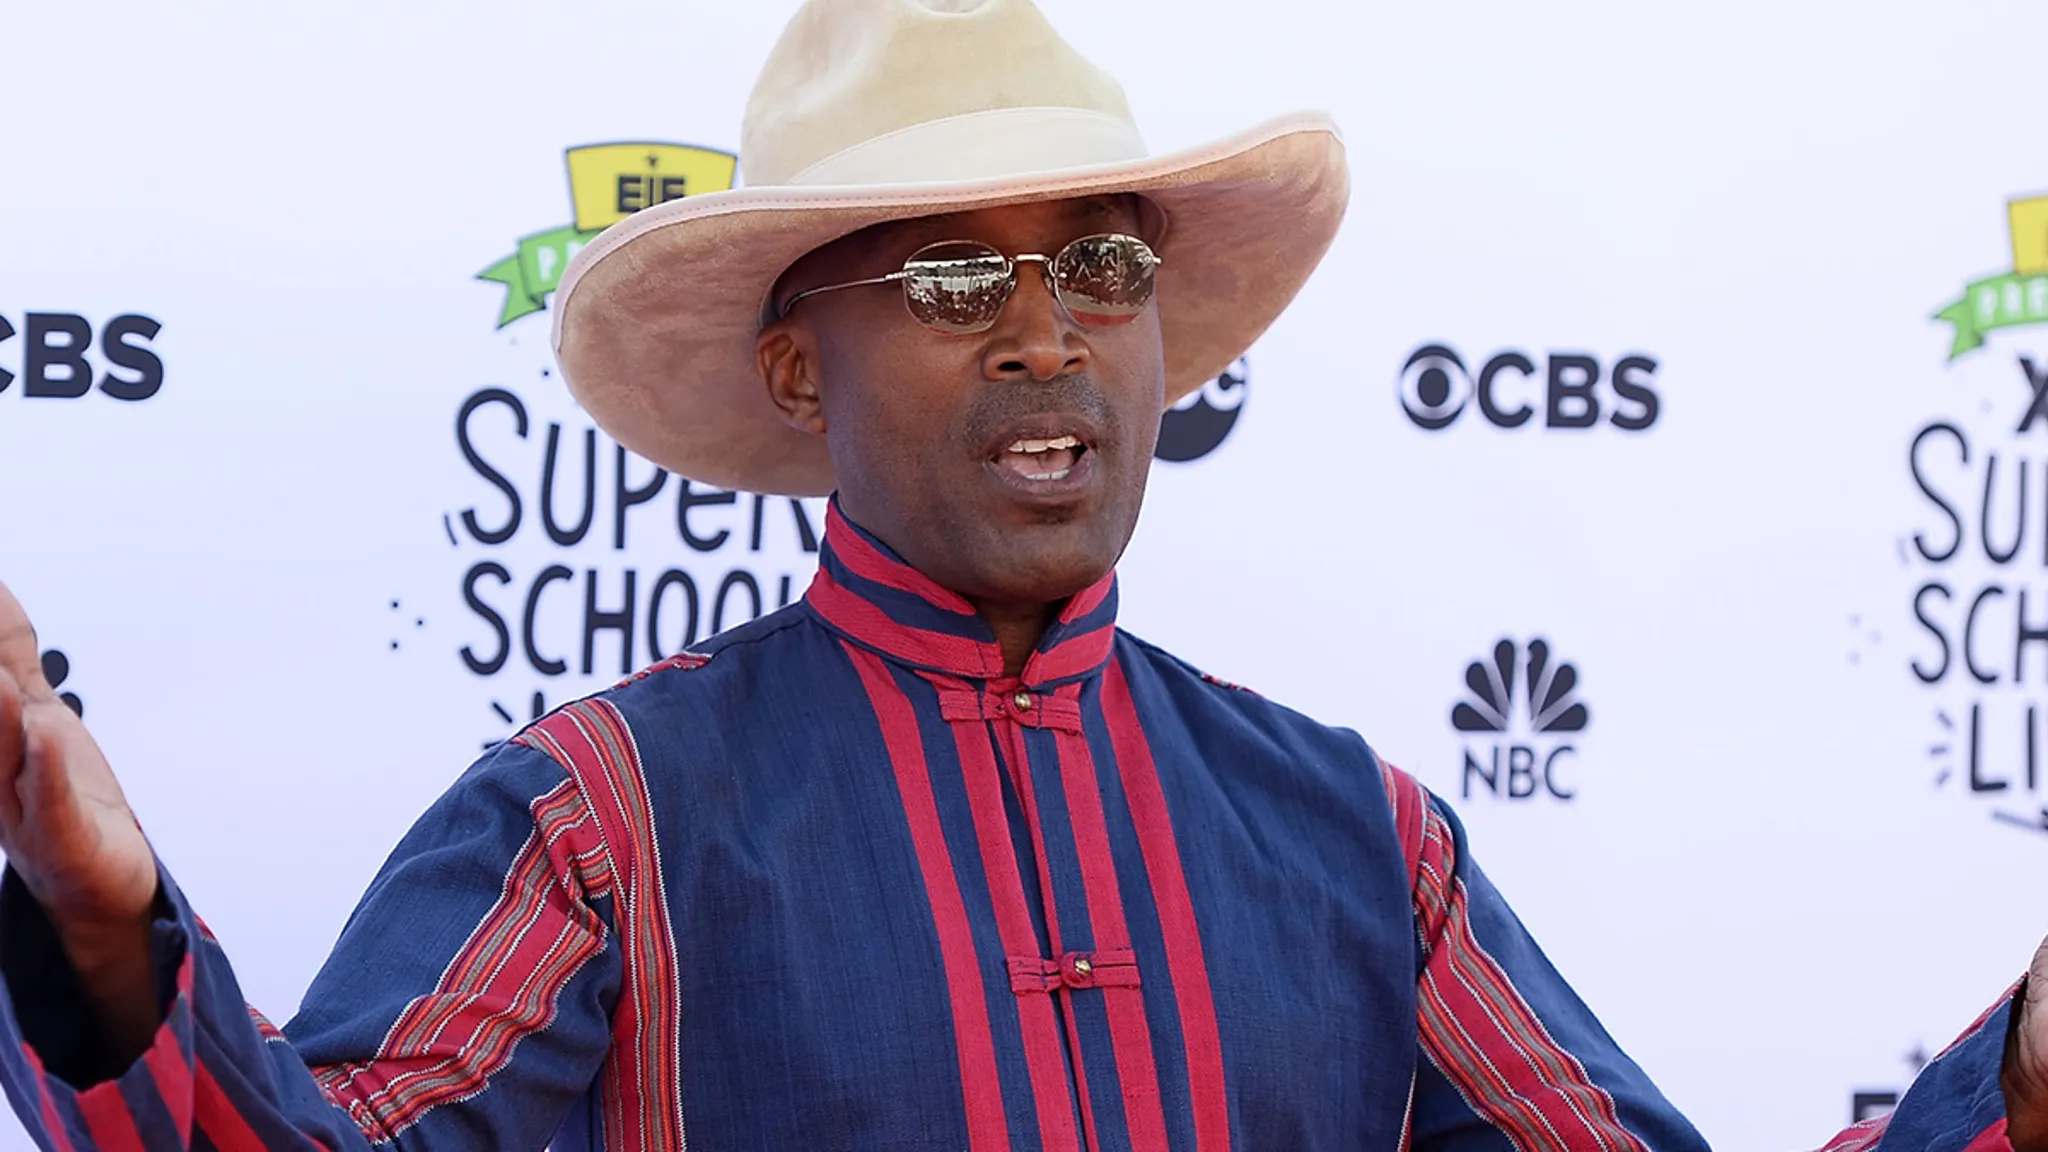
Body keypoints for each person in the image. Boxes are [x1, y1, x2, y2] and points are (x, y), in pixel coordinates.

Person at [0, 0, 2040, 1148]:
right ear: (795, 370)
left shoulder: (1360, 838)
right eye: (955, 278)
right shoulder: (605, 817)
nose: (1049, 334)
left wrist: (2015, 1077)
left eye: (1104, 265)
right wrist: (102, 933)